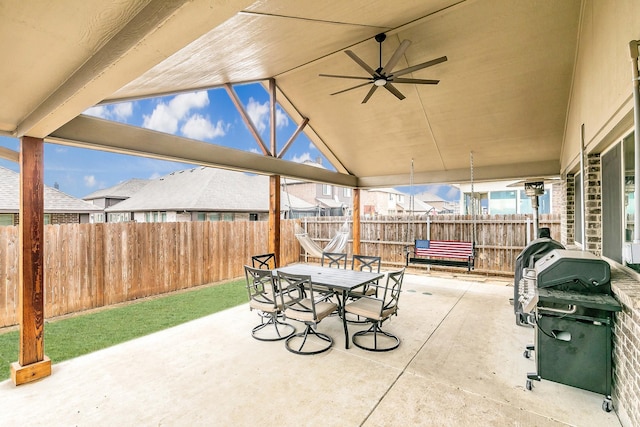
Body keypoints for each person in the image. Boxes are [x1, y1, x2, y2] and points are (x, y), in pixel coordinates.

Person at [513, 227, 564, 326]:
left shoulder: (532, 246)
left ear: (538, 235)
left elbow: (520, 260)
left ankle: (523, 313)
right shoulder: (557, 246)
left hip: (531, 278)